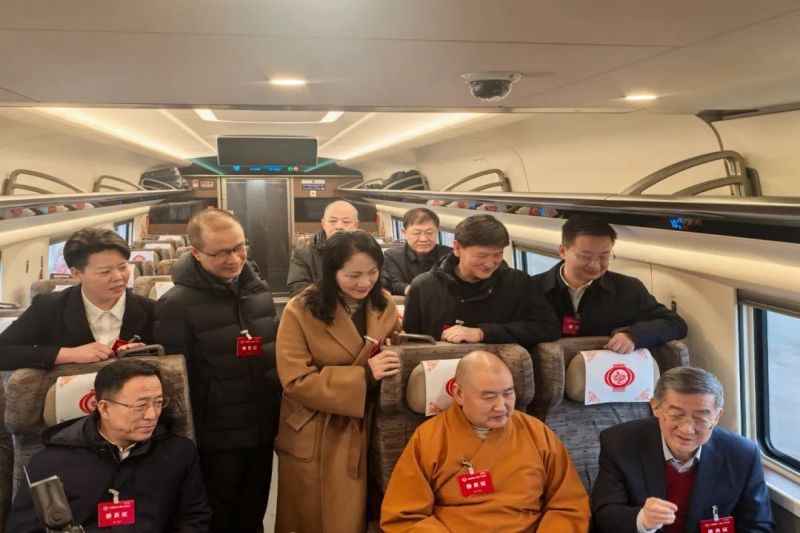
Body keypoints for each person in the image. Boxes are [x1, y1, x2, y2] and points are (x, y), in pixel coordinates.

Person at [153, 209, 279, 533]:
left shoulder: (258, 293)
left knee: (253, 510)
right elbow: (175, 383)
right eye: (221, 252)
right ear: (196, 252)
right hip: (215, 436)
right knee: (218, 515)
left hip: (264, 425)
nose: (234, 259)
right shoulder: (175, 305)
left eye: (239, 247)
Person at [275, 229, 401, 533]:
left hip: (370, 422)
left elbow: (394, 350)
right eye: (353, 275)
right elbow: (295, 380)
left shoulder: (384, 305)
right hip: (318, 426)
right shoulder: (301, 309)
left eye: (372, 272)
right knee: (318, 518)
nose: (365, 282)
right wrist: (364, 374)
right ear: (331, 272)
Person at [380, 350, 590, 532]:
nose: (501, 406)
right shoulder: (429, 438)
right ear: (459, 394)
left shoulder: (536, 433)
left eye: (508, 393)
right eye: (489, 397)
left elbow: (569, 504)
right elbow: (405, 515)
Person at [6, 359, 211, 532]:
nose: (152, 415)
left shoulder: (178, 453)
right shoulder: (50, 463)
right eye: (140, 406)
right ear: (104, 408)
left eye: (158, 403)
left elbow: (194, 518)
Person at [592, 367, 774, 533]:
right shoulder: (620, 442)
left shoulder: (742, 454)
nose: (687, 429)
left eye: (700, 418)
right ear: (655, 407)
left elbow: (758, 525)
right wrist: (642, 520)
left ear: (717, 416)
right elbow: (605, 514)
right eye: (676, 415)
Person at [0, 228, 151, 370]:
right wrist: (67, 354)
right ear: (77, 274)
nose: (118, 277)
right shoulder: (49, 307)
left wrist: (147, 353)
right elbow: (3, 351)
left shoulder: (150, 310)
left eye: (123, 267)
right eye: (105, 272)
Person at [532, 215, 687, 353]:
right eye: (585, 256)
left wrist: (633, 335)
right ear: (562, 251)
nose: (595, 265)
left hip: (610, 372)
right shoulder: (532, 288)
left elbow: (675, 323)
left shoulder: (627, 289)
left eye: (604, 256)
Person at [403, 214, 560, 347]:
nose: (490, 263)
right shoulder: (423, 287)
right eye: (482, 256)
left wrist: (483, 333)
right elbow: (411, 341)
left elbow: (548, 327)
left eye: (497, 255)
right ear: (457, 248)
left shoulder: (517, 283)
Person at [287, 199, 359, 295]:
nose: (339, 226)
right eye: (332, 221)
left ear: (356, 225)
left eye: (346, 222)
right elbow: (297, 288)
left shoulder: (368, 252)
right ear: (323, 223)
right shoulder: (303, 254)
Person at [382, 207, 452, 295]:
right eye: (416, 233)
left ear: (437, 231)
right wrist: (416, 292)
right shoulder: (392, 255)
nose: (423, 239)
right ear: (404, 233)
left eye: (429, 233)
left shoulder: (449, 254)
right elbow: (393, 284)